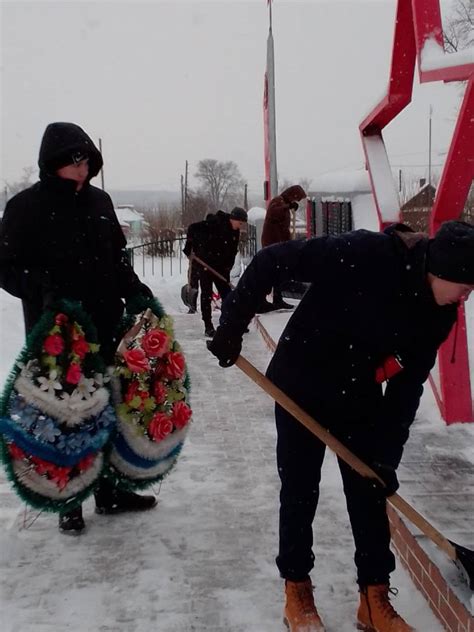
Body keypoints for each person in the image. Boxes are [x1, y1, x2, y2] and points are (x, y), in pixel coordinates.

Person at [207, 220, 474, 632]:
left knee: (369, 491)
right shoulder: (365, 254)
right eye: (466, 285)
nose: (467, 296)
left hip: (358, 389)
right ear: (443, 271)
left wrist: (387, 459)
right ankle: (297, 589)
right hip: (301, 380)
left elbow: (407, 392)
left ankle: (374, 598)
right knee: (300, 488)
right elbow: (270, 261)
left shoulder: (439, 315)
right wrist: (231, 328)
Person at [0, 122, 158, 535]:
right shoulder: (24, 208)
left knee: (107, 408)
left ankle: (108, 492)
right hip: (57, 332)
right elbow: (7, 268)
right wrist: (42, 290)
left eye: (86, 159)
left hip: (104, 323)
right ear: (53, 163)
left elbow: (116, 259)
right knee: (67, 416)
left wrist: (136, 290)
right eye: (75, 160)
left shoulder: (100, 202)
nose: (83, 167)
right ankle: (69, 499)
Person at [184, 207, 248, 337]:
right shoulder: (215, 223)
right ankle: (208, 326)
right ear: (233, 219)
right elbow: (192, 227)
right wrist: (189, 246)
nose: (240, 227)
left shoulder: (235, 232)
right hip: (206, 264)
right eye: (240, 223)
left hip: (221, 268)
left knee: (227, 295)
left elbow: (232, 252)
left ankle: (230, 322)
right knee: (206, 295)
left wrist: (228, 268)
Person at [261, 184, 306, 310]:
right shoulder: (277, 202)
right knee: (270, 273)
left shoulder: (283, 205)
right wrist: (288, 206)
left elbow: (283, 228)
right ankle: (261, 300)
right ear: (292, 195)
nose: (295, 202)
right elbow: (274, 212)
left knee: (278, 273)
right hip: (271, 244)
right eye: (296, 199)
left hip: (279, 244)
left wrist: (289, 243)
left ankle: (278, 298)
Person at [182, 213, 214, 313]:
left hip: (198, 263)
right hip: (204, 264)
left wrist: (190, 255)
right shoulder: (214, 233)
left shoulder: (196, 229)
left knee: (194, 285)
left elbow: (187, 248)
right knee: (205, 288)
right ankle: (200, 307)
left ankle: (193, 307)